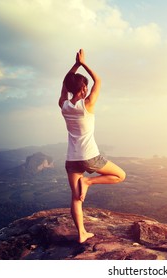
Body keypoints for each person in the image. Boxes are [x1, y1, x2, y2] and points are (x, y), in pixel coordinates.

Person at [58, 49, 126, 243]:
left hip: (72, 159)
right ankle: (89, 182)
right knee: (120, 175)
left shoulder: (63, 104)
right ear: (84, 89)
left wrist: (76, 66)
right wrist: (84, 63)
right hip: (90, 157)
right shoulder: (87, 105)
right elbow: (99, 81)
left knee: (75, 197)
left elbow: (65, 82)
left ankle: (81, 233)